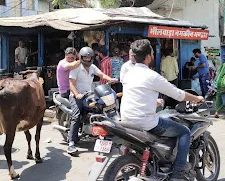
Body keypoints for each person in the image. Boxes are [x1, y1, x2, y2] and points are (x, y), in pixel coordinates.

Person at [121, 39, 203, 181]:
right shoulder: (152, 76)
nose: (153, 55)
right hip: (145, 122)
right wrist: (196, 98)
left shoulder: (128, 73)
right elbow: (178, 94)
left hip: (126, 120)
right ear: (148, 57)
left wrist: (155, 100)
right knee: (184, 132)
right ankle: (178, 173)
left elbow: (139, 93)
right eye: (152, 53)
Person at [68, 46, 116, 154]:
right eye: (85, 58)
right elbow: (71, 83)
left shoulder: (93, 67)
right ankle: (71, 143)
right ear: (81, 57)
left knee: (100, 109)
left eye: (89, 58)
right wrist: (77, 94)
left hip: (89, 95)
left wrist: (111, 79)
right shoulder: (76, 68)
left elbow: (101, 74)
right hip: (76, 96)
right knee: (76, 116)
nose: (87, 60)